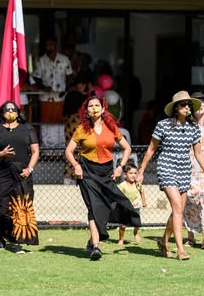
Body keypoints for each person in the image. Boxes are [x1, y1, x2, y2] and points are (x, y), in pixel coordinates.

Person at [65, 95, 138, 260]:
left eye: (96, 105)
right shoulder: (81, 129)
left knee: (105, 207)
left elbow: (127, 148)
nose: (93, 108)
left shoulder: (112, 128)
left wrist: (120, 167)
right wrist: (76, 166)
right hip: (87, 172)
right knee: (93, 207)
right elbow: (68, 151)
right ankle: (96, 247)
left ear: (103, 109)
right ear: (87, 111)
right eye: (90, 106)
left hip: (106, 172)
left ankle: (92, 241)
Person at [137, 91, 204, 261]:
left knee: (178, 211)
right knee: (177, 208)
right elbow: (151, 149)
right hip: (166, 167)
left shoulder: (193, 128)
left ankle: (163, 241)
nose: (186, 107)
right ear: (175, 108)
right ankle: (180, 250)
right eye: (183, 104)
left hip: (184, 171)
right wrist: (141, 171)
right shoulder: (163, 125)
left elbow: (198, 154)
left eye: (189, 105)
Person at [0, 100, 39, 253]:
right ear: (2, 113)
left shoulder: (27, 128)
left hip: (23, 172)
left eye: (13, 109)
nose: (10, 111)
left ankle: (15, 241)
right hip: (4, 173)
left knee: (20, 207)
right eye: (7, 109)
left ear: (18, 112)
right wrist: (0, 153)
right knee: (3, 208)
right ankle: (0, 234)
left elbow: (35, 151)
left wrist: (30, 168)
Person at [32, 37, 73, 147]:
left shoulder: (64, 59)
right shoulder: (41, 60)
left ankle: (59, 149)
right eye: (47, 45)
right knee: (46, 124)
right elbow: (36, 77)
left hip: (61, 97)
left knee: (59, 122)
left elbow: (70, 76)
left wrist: (67, 90)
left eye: (51, 44)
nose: (49, 47)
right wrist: (43, 87)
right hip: (45, 97)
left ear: (56, 45)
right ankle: (47, 150)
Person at [184, 92, 204, 247]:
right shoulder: (187, 126)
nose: (201, 105)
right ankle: (190, 236)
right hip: (190, 166)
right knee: (189, 202)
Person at [117, 162, 146, 246]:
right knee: (123, 226)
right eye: (131, 173)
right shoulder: (122, 185)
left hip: (136, 206)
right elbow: (118, 195)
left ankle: (135, 233)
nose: (133, 175)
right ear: (125, 175)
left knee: (136, 223)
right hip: (125, 207)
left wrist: (144, 201)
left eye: (135, 173)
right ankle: (121, 239)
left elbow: (142, 192)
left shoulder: (137, 184)